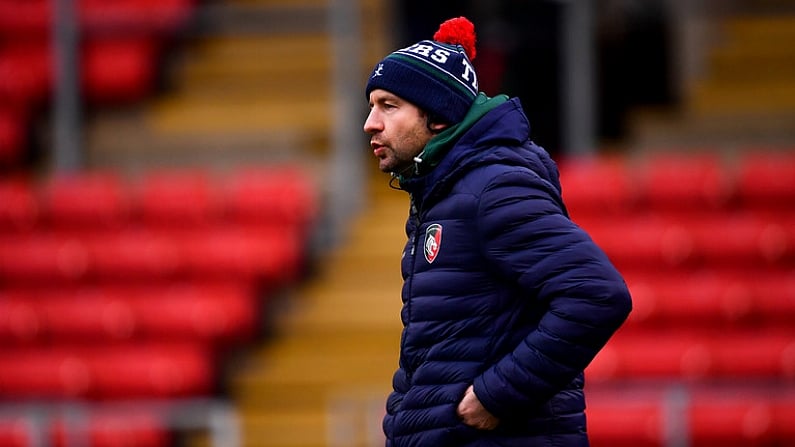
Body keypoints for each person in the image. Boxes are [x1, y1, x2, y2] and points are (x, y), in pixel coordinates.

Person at [363, 16, 632, 446]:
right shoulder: (446, 193)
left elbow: (597, 294)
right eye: (372, 106)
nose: (370, 123)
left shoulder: (494, 187)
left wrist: (496, 396)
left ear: (437, 115)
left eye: (388, 106)